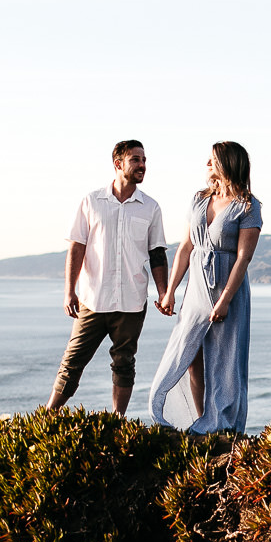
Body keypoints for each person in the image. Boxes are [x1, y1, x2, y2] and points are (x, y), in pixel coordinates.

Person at [148, 141, 262, 433]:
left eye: (212, 160)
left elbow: (243, 258)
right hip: (197, 286)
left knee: (225, 358)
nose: (207, 164)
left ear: (227, 163)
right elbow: (186, 246)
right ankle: (196, 418)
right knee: (187, 353)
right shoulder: (199, 199)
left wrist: (225, 299)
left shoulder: (248, 206)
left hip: (229, 288)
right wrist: (170, 290)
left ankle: (219, 424)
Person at [49, 140, 169, 416]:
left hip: (131, 300)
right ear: (118, 164)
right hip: (93, 299)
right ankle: (47, 417)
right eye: (136, 160)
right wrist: (69, 291)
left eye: (144, 160)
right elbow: (76, 246)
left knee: (125, 363)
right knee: (72, 361)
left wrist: (164, 293)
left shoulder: (150, 207)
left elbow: (157, 253)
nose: (142, 165)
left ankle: (118, 420)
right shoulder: (91, 201)